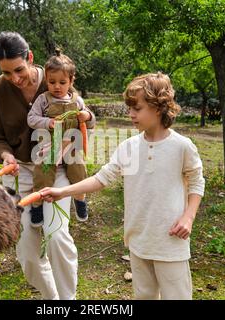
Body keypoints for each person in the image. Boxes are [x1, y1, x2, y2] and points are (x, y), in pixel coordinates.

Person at [41, 72, 205, 300]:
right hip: (138, 241)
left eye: (137, 109)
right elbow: (102, 178)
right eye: (130, 108)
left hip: (170, 242)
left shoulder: (182, 146)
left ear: (158, 107)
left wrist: (188, 217)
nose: (131, 115)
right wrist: (62, 192)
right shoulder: (128, 147)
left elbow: (197, 182)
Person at [0, 31, 96, 300]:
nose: (15, 79)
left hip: (56, 168)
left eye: (19, 70)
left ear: (30, 58)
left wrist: (71, 142)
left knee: (57, 237)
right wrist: (5, 156)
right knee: (27, 252)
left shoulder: (56, 77)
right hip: (19, 172)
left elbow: (84, 120)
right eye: (7, 73)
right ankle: (51, 298)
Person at [27, 48, 90, 228]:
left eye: (62, 82)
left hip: (71, 144)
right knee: (42, 173)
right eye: (52, 81)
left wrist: (86, 117)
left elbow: (88, 120)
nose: (57, 86)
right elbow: (31, 119)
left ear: (71, 80)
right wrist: (47, 122)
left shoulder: (77, 101)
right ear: (46, 79)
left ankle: (80, 200)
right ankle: (37, 204)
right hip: (50, 145)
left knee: (79, 171)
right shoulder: (43, 100)